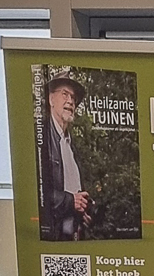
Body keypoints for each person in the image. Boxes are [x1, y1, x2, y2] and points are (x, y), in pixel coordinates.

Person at [46, 73, 92, 240]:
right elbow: (37, 192)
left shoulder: (71, 144)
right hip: (53, 236)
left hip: (73, 233)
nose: (70, 101)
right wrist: (70, 201)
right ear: (51, 99)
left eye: (73, 97)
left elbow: (75, 190)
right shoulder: (42, 139)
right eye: (64, 94)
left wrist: (84, 211)